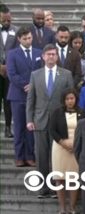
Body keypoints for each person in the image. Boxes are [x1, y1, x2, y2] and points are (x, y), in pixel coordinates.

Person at [26, 44, 74, 198]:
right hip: (39, 121)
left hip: (59, 122)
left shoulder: (66, 74)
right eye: (48, 54)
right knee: (41, 156)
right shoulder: (35, 74)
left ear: (57, 56)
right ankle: (43, 189)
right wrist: (29, 119)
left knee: (57, 157)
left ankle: (56, 189)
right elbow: (31, 99)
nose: (51, 57)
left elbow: (70, 98)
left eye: (54, 54)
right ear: (43, 57)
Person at [7, 27, 42, 167]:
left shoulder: (39, 53)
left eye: (30, 38)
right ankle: (19, 156)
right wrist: (25, 85)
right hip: (17, 95)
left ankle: (30, 156)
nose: (28, 40)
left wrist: (33, 86)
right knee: (19, 127)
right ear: (19, 39)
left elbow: (41, 71)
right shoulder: (12, 54)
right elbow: (11, 74)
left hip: (34, 96)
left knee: (31, 127)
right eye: (25, 38)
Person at [49, 88, 85, 214]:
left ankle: (72, 208)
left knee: (73, 178)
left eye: (72, 98)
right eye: (67, 99)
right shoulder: (57, 112)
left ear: (76, 99)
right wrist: (63, 143)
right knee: (60, 178)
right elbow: (52, 130)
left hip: (76, 149)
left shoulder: (81, 112)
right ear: (64, 100)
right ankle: (62, 208)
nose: (70, 101)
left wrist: (75, 145)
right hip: (60, 148)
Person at [0, 5, 18, 138]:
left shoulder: (16, 31)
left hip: (9, 72)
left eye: (9, 20)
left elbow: (17, 51)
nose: (7, 23)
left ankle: (7, 128)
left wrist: (8, 66)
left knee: (8, 101)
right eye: (4, 20)